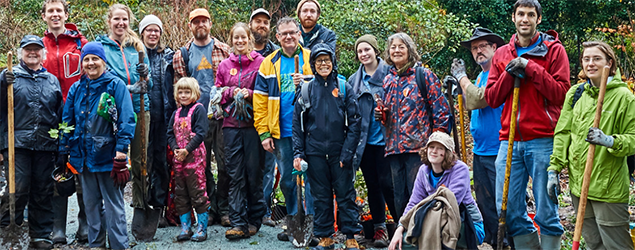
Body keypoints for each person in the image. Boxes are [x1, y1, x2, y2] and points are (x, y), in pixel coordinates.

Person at [484, 0, 569, 248]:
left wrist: (531, 68)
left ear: (538, 19)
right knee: (508, 207)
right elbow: (492, 97)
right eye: (520, 14)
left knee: (546, 208)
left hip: (542, 138)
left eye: (530, 14)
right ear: (513, 17)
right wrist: (510, 74)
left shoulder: (553, 50)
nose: (525, 19)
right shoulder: (501, 54)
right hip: (509, 139)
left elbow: (560, 93)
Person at [548, 41, 635, 249]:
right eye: (586, 59)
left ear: (609, 63)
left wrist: (610, 140)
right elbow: (563, 133)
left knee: (617, 246)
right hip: (579, 187)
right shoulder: (576, 93)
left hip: (609, 188)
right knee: (594, 244)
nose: (590, 63)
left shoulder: (624, 97)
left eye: (597, 58)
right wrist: (554, 169)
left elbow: (633, 138)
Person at [60, 41, 135, 250]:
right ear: (82, 63)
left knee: (113, 205)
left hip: (108, 155)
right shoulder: (76, 88)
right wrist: (63, 149)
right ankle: (96, 244)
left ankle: (119, 245)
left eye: (95, 59)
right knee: (91, 205)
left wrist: (122, 150)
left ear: (103, 61)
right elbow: (67, 121)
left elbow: (127, 119)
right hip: (82, 156)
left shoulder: (115, 85)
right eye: (87, 59)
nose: (91, 63)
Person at [374, 32, 451, 223]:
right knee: (399, 199)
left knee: (421, 196)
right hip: (394, 148)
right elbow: (389, 116)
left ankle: (425, 237)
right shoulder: (388, 79)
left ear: (410, 50)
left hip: (419, 149)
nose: (397, 50)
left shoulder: (423, 75)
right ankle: (405, 237)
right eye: (393, 47)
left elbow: (441, 110)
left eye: (402, 46)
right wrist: (381, 115)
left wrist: (437, 144)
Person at [292, 42, 362, 250]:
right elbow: (297, 125)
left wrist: (347, 153)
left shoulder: (343, 88)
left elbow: (355, 123)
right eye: (319, 60)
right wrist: (299, 153)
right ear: (313, 64)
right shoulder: (305, 90)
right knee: (320, 196)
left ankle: (350, 235)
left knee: (345, 193)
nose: (324, 64)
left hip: (339, 152)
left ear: (333, 62)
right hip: (314, 153)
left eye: (327, 60)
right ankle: (325, 236)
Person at [253, 16, 315, 242]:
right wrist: (264, 133)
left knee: (311, 179)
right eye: (284, 33)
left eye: (293, 32)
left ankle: (312, 223)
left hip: (310, 131)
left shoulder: (310, 58)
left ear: (299, 34)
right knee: (288, 180)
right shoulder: (268, 63)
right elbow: (259, 101)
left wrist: (307, 80)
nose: (289, 37)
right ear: (277, 37)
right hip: (282, 132)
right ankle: (293, 220)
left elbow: (328, 84)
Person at [0, 35, 63, 250]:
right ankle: (9, 227)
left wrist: (60, 143)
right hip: (17, 144)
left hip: (45, 145)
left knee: (43, 190)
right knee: (18, 188)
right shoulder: (9, 77)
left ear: (43, 54)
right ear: (21, 53)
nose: (33, 53)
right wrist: (2, 82)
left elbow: (58, 114)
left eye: (37, 49)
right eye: (28, 49)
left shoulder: (52, 80)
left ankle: (41, 234)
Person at [448, 27, 507, 249]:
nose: (478, 51)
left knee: (501, 203)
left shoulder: (498, 73)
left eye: (483, 46)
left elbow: (478, 101)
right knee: (484, 202)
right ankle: (491, 242)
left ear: (494, 48)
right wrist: (459, 88)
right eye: (474, 48)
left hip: (499, 148)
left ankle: (506, 242)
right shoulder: (481, 75)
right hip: (481, 150)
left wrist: (462, 78)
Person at [172, 8, 231, 226]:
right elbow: (179, 90)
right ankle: (208, 208)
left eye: (204, 21)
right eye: (195, 22)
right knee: (201, 167)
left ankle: (222, 207)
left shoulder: (223, 50)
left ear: (210, 23)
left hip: (221, 116)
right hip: (196, 121)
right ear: (190, 26)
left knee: (225, 164)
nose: (200, 25)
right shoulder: (183, 54)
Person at [95, 3, 153, 214]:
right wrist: (129, 87)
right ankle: (112, 209)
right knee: (113, 160)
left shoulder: (137, 47)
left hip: (139, 109)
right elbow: (100, 81)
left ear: (130, 22)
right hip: (112, 113)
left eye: (124, 19)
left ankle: (140, 204)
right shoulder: (101, 48)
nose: (121, 23)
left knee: (140, 160)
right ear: (109, 21)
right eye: (116, 19)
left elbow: (150, 85)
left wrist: (145, 75)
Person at [40, 0, 89, 244]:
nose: (55, 14)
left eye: (59, 10)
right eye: (51, 11)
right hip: (50, 117)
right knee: (56, 167)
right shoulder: (39, 46)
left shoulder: (81, 44)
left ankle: (84, 223)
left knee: (80, 166)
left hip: (79, 114)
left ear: (66, 14)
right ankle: (57, 226)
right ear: (44, 17)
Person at [388, 131, 485, 250]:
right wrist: (400, 227)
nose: (434, 151)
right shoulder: (423, 171)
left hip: (467, 225)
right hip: (434, 221)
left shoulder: (460, 169)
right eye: (431, 147)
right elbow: (414, 203)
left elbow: (450, 205)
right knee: (406, 242)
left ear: (448, 153)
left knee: (436, 233)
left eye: (440, 148)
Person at [216, 22, 267, 239]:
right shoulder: (224, 65)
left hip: (254, 126)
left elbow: (266, 93)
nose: (239, 41)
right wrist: (230, 91)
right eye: (235, 38)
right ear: (231, 40)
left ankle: (255, 219)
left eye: (243, 38)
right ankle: (237, 222)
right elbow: (216, 93)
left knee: (253, 173)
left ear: (249, 39)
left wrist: (249, 93)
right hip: (230, 125)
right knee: (234, 173)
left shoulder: (261, 63)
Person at [348, 34, 395, 248]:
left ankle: (403, 224)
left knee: (390, 184)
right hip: (365, 143)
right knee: (373, 185)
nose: (363, 54)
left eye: (367, 49)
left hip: (389, 141)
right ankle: (379, 228)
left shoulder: (391, 74)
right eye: (360, 51)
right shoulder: (353, 82)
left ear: (376, 51)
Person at [139, 14, 175, 227]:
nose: (153, 34)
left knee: (161, 163)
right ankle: (143, 206)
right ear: (142, 32)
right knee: (144, 163)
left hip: (164, 118)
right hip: (142, 117)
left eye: (156, 30)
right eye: (149, 30)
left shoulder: (168, 56)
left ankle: (160, 207)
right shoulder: (136, 55)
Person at [167, 77, 210, 242]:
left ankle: (202, 227)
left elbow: (201, 132)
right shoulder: (176, 113)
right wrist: (175, 148)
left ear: (195, 93)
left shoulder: (198, 110)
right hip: (179, 159)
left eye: (187, 92)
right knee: (181, 192)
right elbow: (170, 133)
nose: (183, 95)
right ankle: (186, 227)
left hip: (195, 159)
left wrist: (187, 149)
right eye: (180, 92)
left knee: (197, 192)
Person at [249, 8, 281, 227]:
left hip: (271, 120)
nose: (262, 25)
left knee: (269, 167)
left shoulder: (277, 54)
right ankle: (247, 209)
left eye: (265, 22)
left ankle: (265, 210)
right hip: (244, 121)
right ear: (250, 25)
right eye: (257, 21)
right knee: (249, 166)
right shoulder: (242, 49)